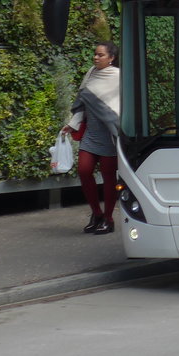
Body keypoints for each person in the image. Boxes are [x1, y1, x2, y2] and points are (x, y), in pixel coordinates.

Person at [63, 41, 121, 235]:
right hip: (92, 132)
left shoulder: (119, 77)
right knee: (84, 170)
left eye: (101, 55)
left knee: (108, 177)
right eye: (95, 54)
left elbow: (121, 107)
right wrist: (72, 124)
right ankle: (96, 213)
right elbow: (82, 104)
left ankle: (109, 218)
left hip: (110, 135)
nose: (96, 58)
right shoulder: (90, 74)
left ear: (111, 58)